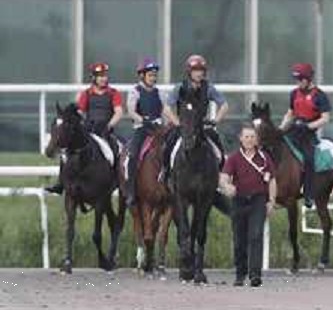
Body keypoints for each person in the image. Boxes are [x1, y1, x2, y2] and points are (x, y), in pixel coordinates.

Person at [45, 62, 123, 195]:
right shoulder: (86, 94)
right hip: (89, 129)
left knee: (119, 150)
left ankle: (118, 180)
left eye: (104, 75)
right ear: (94, 78)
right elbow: (80, 112)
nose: (103, 78)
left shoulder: (113, 93)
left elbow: (119, 112)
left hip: (106, 130)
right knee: (67, 153)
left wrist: (109, 125)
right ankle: (61, 182)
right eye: (100, 76)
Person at [220, 125, 277, 288]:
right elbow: (224, 177)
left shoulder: (264, 158)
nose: (249, 140)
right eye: (246, 137)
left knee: (256, 235)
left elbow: (272, 180)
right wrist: (227, 186)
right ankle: (240, 273)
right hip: (239, 201)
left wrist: (271, 200)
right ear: (241, 138)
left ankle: (255, 275)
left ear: (256, 139)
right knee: (239, 239)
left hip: (258, 200)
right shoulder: (234, 158)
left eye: (252, 137)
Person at [161, 54, 229, 182]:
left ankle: (218, 176)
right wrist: (177, 122)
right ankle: (165, 173)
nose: (199, 74)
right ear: (189, 72)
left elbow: (224, 105)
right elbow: (166, 108)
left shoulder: (208, 88)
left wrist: (216, 120)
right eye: (195, 70)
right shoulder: (180, 87)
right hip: (184, 126)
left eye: (201, 70)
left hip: (202, 126)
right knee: (168, 144)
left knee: (218, 149)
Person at [125, 57, 178, 207]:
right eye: (150, 75)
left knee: (171, 151)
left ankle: (172, 184)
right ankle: (130, 190)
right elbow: (130, 111)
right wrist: (142, 120)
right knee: (133, 154)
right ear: (142, 75)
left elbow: (166, 111)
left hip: (157, 129)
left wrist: (174, 123)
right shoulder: (135, 91)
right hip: (142, 128)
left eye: (154, 75)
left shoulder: (159, 93)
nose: (153, 78)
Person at [279, 62, 331, 209]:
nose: (298, 82)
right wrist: (281, 128)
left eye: (300, 79)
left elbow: (325, 118)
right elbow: (290, 113)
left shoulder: (319, 95)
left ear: (308, 79)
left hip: (308, 133)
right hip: (293, 129)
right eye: (296, 79)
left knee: (309, 158)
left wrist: (308, 126)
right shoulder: (294, 93)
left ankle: (309, 194)